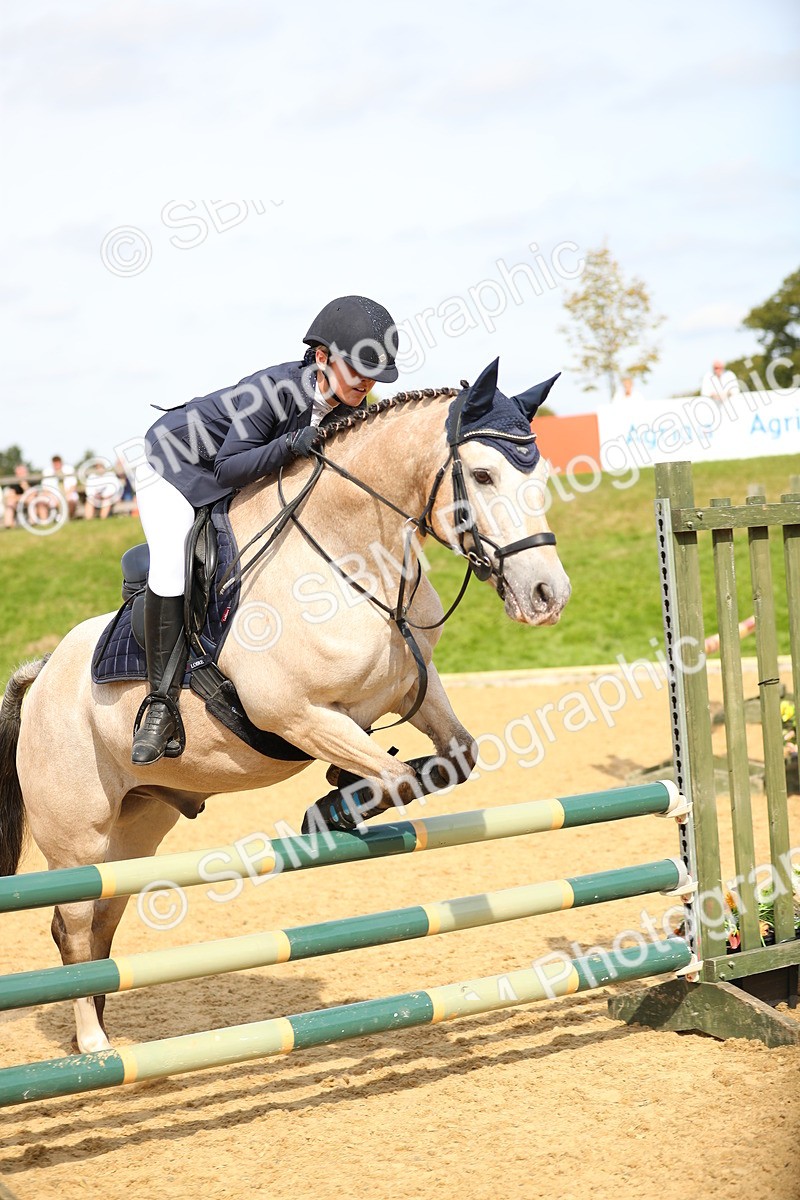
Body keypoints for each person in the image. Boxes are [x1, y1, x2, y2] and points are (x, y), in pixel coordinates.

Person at [131, 294, 399, 766]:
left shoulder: (345, 408)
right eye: (358, 369)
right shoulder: (273, 390)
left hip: (230, 473)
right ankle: (160, 704)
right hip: (172, 463)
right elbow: (230, 466)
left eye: (374, 374)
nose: (367, 382)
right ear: (322, 358)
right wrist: (292, 443)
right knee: (173, 560)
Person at [3, 464, 29, 529]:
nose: (19, 475)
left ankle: (34, 523)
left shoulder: (32, 480)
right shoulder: (14, 483)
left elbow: (33, 496)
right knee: (10, 502)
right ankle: (8, 525)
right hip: (18, 502)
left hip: (31, 502)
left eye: (21, 472)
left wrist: (26, 487)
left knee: (31, 500)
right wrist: (23, 497)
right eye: (18, 473)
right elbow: (11, 496)